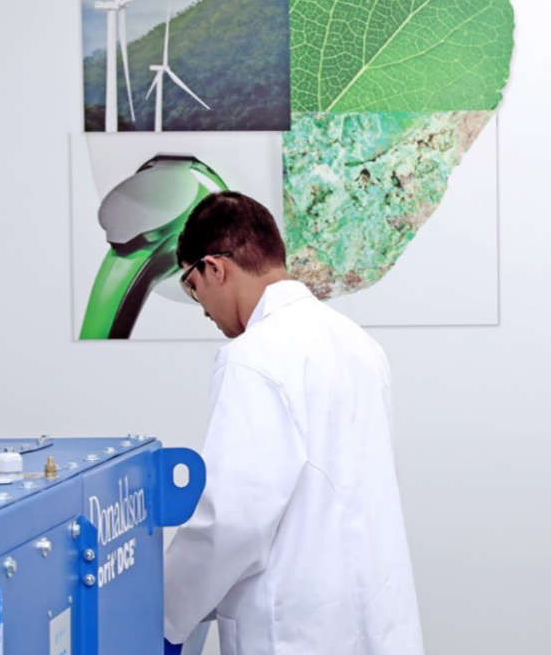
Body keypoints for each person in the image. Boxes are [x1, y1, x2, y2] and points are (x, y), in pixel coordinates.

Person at [162, 192, 425, 655]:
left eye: (191, 285)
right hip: (376, 624)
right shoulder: (359, 344)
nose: (201, 307)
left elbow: (233, 520)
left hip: (297, 633)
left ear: (215, 268)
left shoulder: (253, 357)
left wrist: (164, 613)